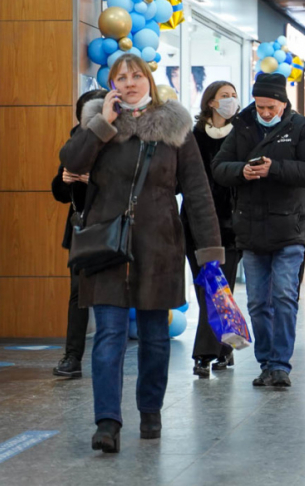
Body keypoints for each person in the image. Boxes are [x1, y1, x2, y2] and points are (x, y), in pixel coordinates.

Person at [60, 54, 223, 453]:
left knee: (154, 337)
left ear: (148, 79)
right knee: (110, 334)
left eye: (136, 76)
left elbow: (199, 194)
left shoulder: (174, 125)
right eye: (121, 77)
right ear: (112, 83)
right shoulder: (98, 122)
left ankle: (150, 409)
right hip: (107, 246)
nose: (129, 83)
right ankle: (107, 422)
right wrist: (103, 124)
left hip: (160, 245)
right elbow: (70, 163)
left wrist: (209, 252)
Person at [211, 73, 305, 389]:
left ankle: (280, 365)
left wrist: (274, 168)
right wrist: (242, 170)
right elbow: (219, 168)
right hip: (250, 229)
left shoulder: (301, 128)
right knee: (258, 302)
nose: (264, 112)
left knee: (284, 296)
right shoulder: (242, 126)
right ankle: (265, 364)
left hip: (290, 227)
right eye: (260, 106)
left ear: (283, 103)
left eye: (270, 107)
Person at [182, 80, 243, 379]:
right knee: (205, 288)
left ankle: (206, 354)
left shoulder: (243, 135)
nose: (231, 101)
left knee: (220, 288)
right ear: (210, 102)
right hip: (195, 224)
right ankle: (225, 346)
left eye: (234, 96)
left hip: (232, 224)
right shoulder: (191, 137)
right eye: (224, 96)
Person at [51, 89, 107, 378]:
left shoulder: (118, 142)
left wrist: (92, 180)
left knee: (114, 294)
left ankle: (111, 357)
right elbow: (59, 194)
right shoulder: (74, 142)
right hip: (81, 227)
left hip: (114, 227)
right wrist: (64, 180)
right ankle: (72, 356)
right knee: (78, 293)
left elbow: (130, 189)